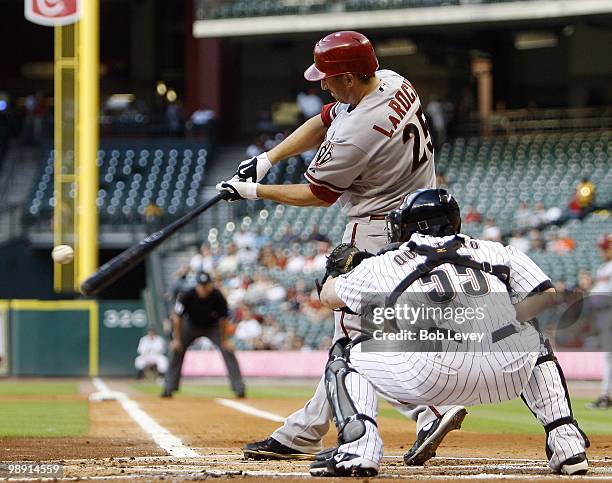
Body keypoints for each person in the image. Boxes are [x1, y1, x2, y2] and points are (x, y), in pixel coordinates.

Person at [216, 30, 462, 464]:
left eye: (329, 78)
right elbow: (327, 117)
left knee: (350, 343)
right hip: (418, 220)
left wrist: (254, 192)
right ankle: (304, 430)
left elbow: (319, 193)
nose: (322, 85)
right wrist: (268, 159)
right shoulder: (393, 80)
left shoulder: (356, 132)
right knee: (359, 336)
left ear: (350, 77)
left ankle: (427, 410)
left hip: (375, 230)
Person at [311, 189, 589, 477]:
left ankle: (359, 448)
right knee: (532, 336)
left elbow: (330, 298)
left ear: (410, 226)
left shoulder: (385, 263)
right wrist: (504, 325)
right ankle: (567, 443)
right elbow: (546, 295)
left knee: (345, 353)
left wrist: (337, 270)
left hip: (432, 378)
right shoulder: (495, 250)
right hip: (506, 372)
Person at [162, 271, 245, 398]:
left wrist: (225, 340)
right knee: (176, 350)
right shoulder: (187, 295)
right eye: (201, 285)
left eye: (206, 285)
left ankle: (239, 388)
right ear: (197, 286)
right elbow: (177, 318)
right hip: (190, 325)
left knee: (228, 350)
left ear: (211, 285)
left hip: (213, 327)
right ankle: (169, 387)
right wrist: (177, 339)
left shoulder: (218, 296)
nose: (204, 288)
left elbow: (223, 320)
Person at [586, 234, 612, 409]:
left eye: (605, 248)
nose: (602, 251)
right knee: (609, 356)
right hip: (604, 313)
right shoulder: (604, 267)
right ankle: (605, 395)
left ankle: (605, 395)